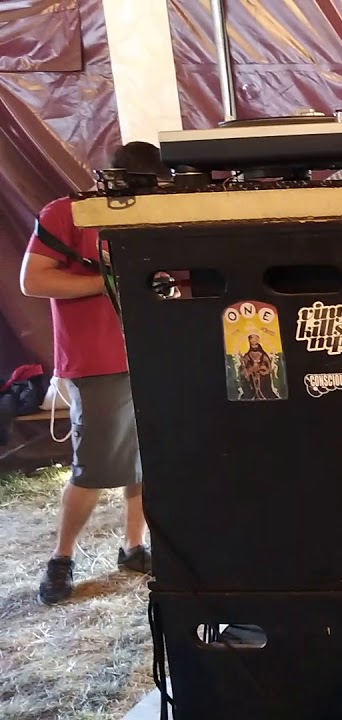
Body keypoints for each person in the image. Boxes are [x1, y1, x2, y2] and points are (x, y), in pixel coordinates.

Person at [19, 141, 162, 605]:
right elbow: (33, 280)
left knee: (146, 459)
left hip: (153, 354)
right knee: (94, 467)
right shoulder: (68, 213)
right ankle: (61, 558)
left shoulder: (159, 213)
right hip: (96, 358)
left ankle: (134, 546)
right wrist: (107, 282)